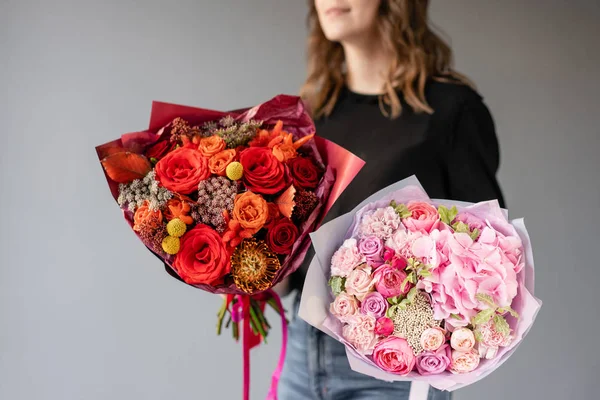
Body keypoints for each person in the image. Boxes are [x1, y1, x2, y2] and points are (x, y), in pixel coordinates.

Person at [277, 1, 506, 399]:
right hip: (304, 347)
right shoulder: (314, 114)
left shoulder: (450, 110)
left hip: (395, 365)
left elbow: (489, 255)